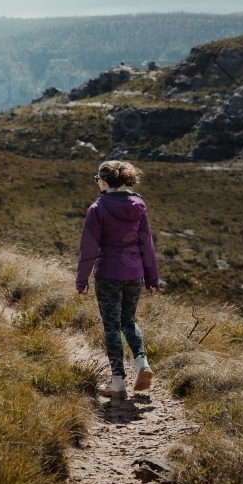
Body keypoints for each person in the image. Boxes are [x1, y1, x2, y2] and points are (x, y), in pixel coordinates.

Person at [76, 160, 159, 400]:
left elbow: (88, 248)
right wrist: (152, 278)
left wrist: (81, 281)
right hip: (134, 274)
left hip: (108, 274)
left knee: (111, 328)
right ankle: (142, 363)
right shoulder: (139, 205)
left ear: (103, 181)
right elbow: (147, 245)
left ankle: (118, 383)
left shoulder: (97, 208)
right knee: (129, 321)